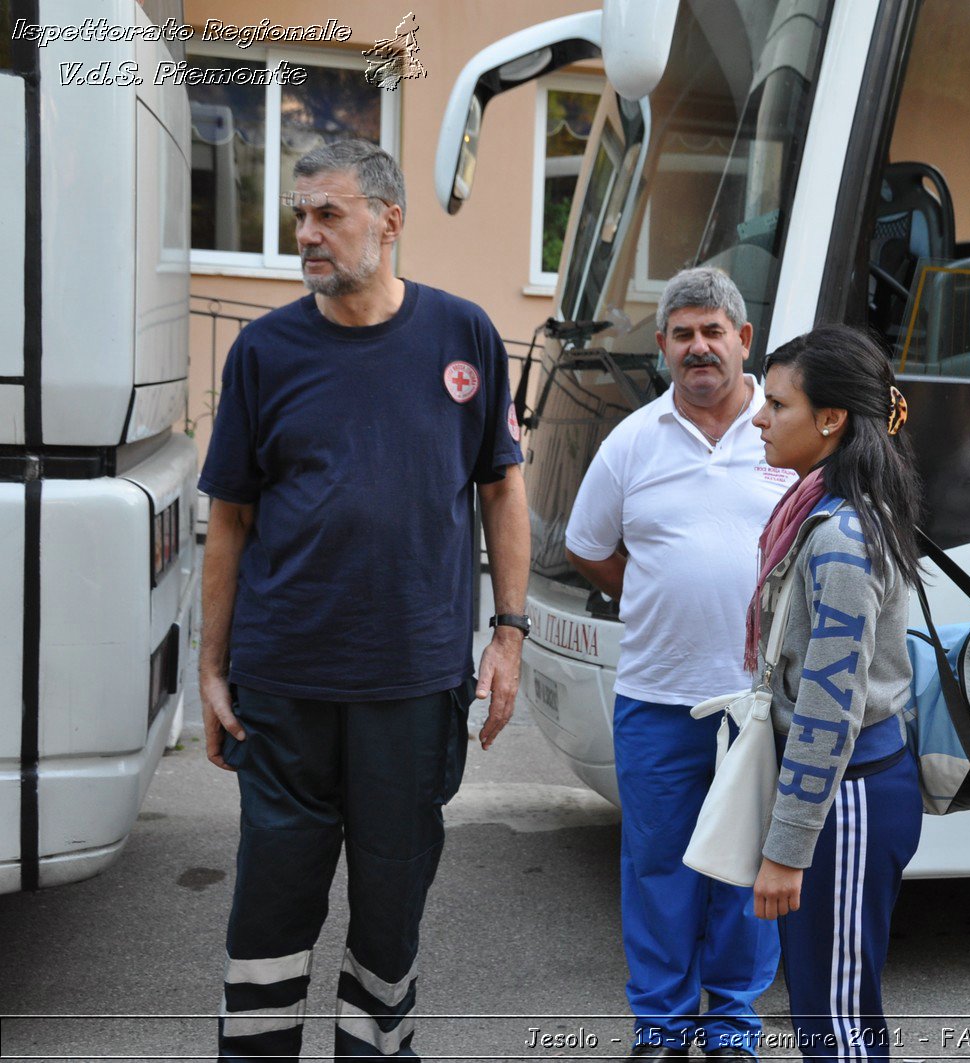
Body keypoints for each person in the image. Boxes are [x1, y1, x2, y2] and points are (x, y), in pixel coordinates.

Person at [197, 140, 530, 1059]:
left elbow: (502, 488)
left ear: (389, 220)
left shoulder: (463, 337)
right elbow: (229, 520)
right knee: (270, 911)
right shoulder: (263, 351)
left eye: (326, 214)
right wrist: (213, 665)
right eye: (298, 215)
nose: (306, 233)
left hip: (412, 687)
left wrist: (508, 631)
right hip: (286, 684)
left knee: (391, 912)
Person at [564, 268, 790, 1059]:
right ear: (662, 347)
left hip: (757, 704)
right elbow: (588, 548)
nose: (699, 347)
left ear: (743, 339)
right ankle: (660, 1025)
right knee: (658, 867)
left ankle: (731, 1024)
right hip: (657, 697)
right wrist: (659, 592)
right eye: (683, 334)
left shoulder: (787, 429)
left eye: (713, 331)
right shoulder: (632, 440)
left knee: (742, 872)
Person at [748, 325, 924, 1062]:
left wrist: (788, 847)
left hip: (845, 800)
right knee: (822, 1011)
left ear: (830, 421)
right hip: (838, 795)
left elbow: (828, 704)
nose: (758, 416)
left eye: (776, 402)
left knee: (840, 1024)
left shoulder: (841, 536)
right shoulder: (821, 512)